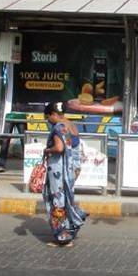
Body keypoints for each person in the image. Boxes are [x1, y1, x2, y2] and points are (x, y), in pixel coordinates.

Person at [42, 101, 87, 247]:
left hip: (59, 169)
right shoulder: (71, 124)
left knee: (58, 199)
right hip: (73, 168)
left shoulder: (58, 127)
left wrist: (47, 150)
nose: (48, 121)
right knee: (68, 198)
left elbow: (59, 148)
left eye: (48, 117)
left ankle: (62, 236)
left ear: (53, 114)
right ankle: (70, 232)